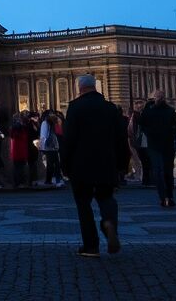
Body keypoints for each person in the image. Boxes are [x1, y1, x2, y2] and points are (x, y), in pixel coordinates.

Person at [61, 74, 127, 257]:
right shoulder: (110, 108)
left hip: (81, 165)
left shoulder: (75, 107)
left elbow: (69, 139)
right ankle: (109, 223)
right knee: (106, 197)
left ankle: (91, 247)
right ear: (95, 87)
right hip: (107, 163)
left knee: (84, 204)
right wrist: (122, 164)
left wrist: (64, 165)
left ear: (80, 88)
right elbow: (121, 139)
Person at [139, 91, 176, 207]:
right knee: (166, 171)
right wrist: (172, 136)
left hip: (156, 145)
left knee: (159, 171)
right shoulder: (169, 110)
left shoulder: (150, 111)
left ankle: (164, 197)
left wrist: (149, 134)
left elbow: (141, 124)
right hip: (165, 144)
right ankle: (168, 196)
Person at [39, 110, 64, 187]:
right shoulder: (47, 123)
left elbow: (44, 135)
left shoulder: (50, 123)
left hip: (51, 145)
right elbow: (44, 135)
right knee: (53, 164)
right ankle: (53, 180)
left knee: (54, 164)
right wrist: (42, 146)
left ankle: (51, 180)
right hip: (51, 146)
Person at [9, 113, 30, 188]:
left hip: (15, 151)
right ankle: (21, 182)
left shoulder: (13, 130)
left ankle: (16, 183)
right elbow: (25, 138)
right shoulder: (22, 129)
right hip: (22, 151)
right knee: (22, 168)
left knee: (16, 167)